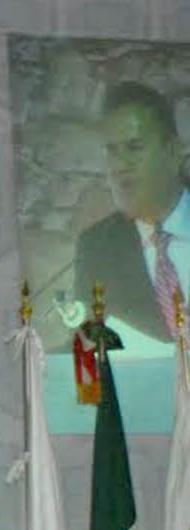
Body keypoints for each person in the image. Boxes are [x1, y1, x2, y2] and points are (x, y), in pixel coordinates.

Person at [73, 81, 190, 344]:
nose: (119, 165)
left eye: (134, 147)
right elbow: (88, 346)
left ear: (173, 152)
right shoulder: (95, 248)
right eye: (111, 152)